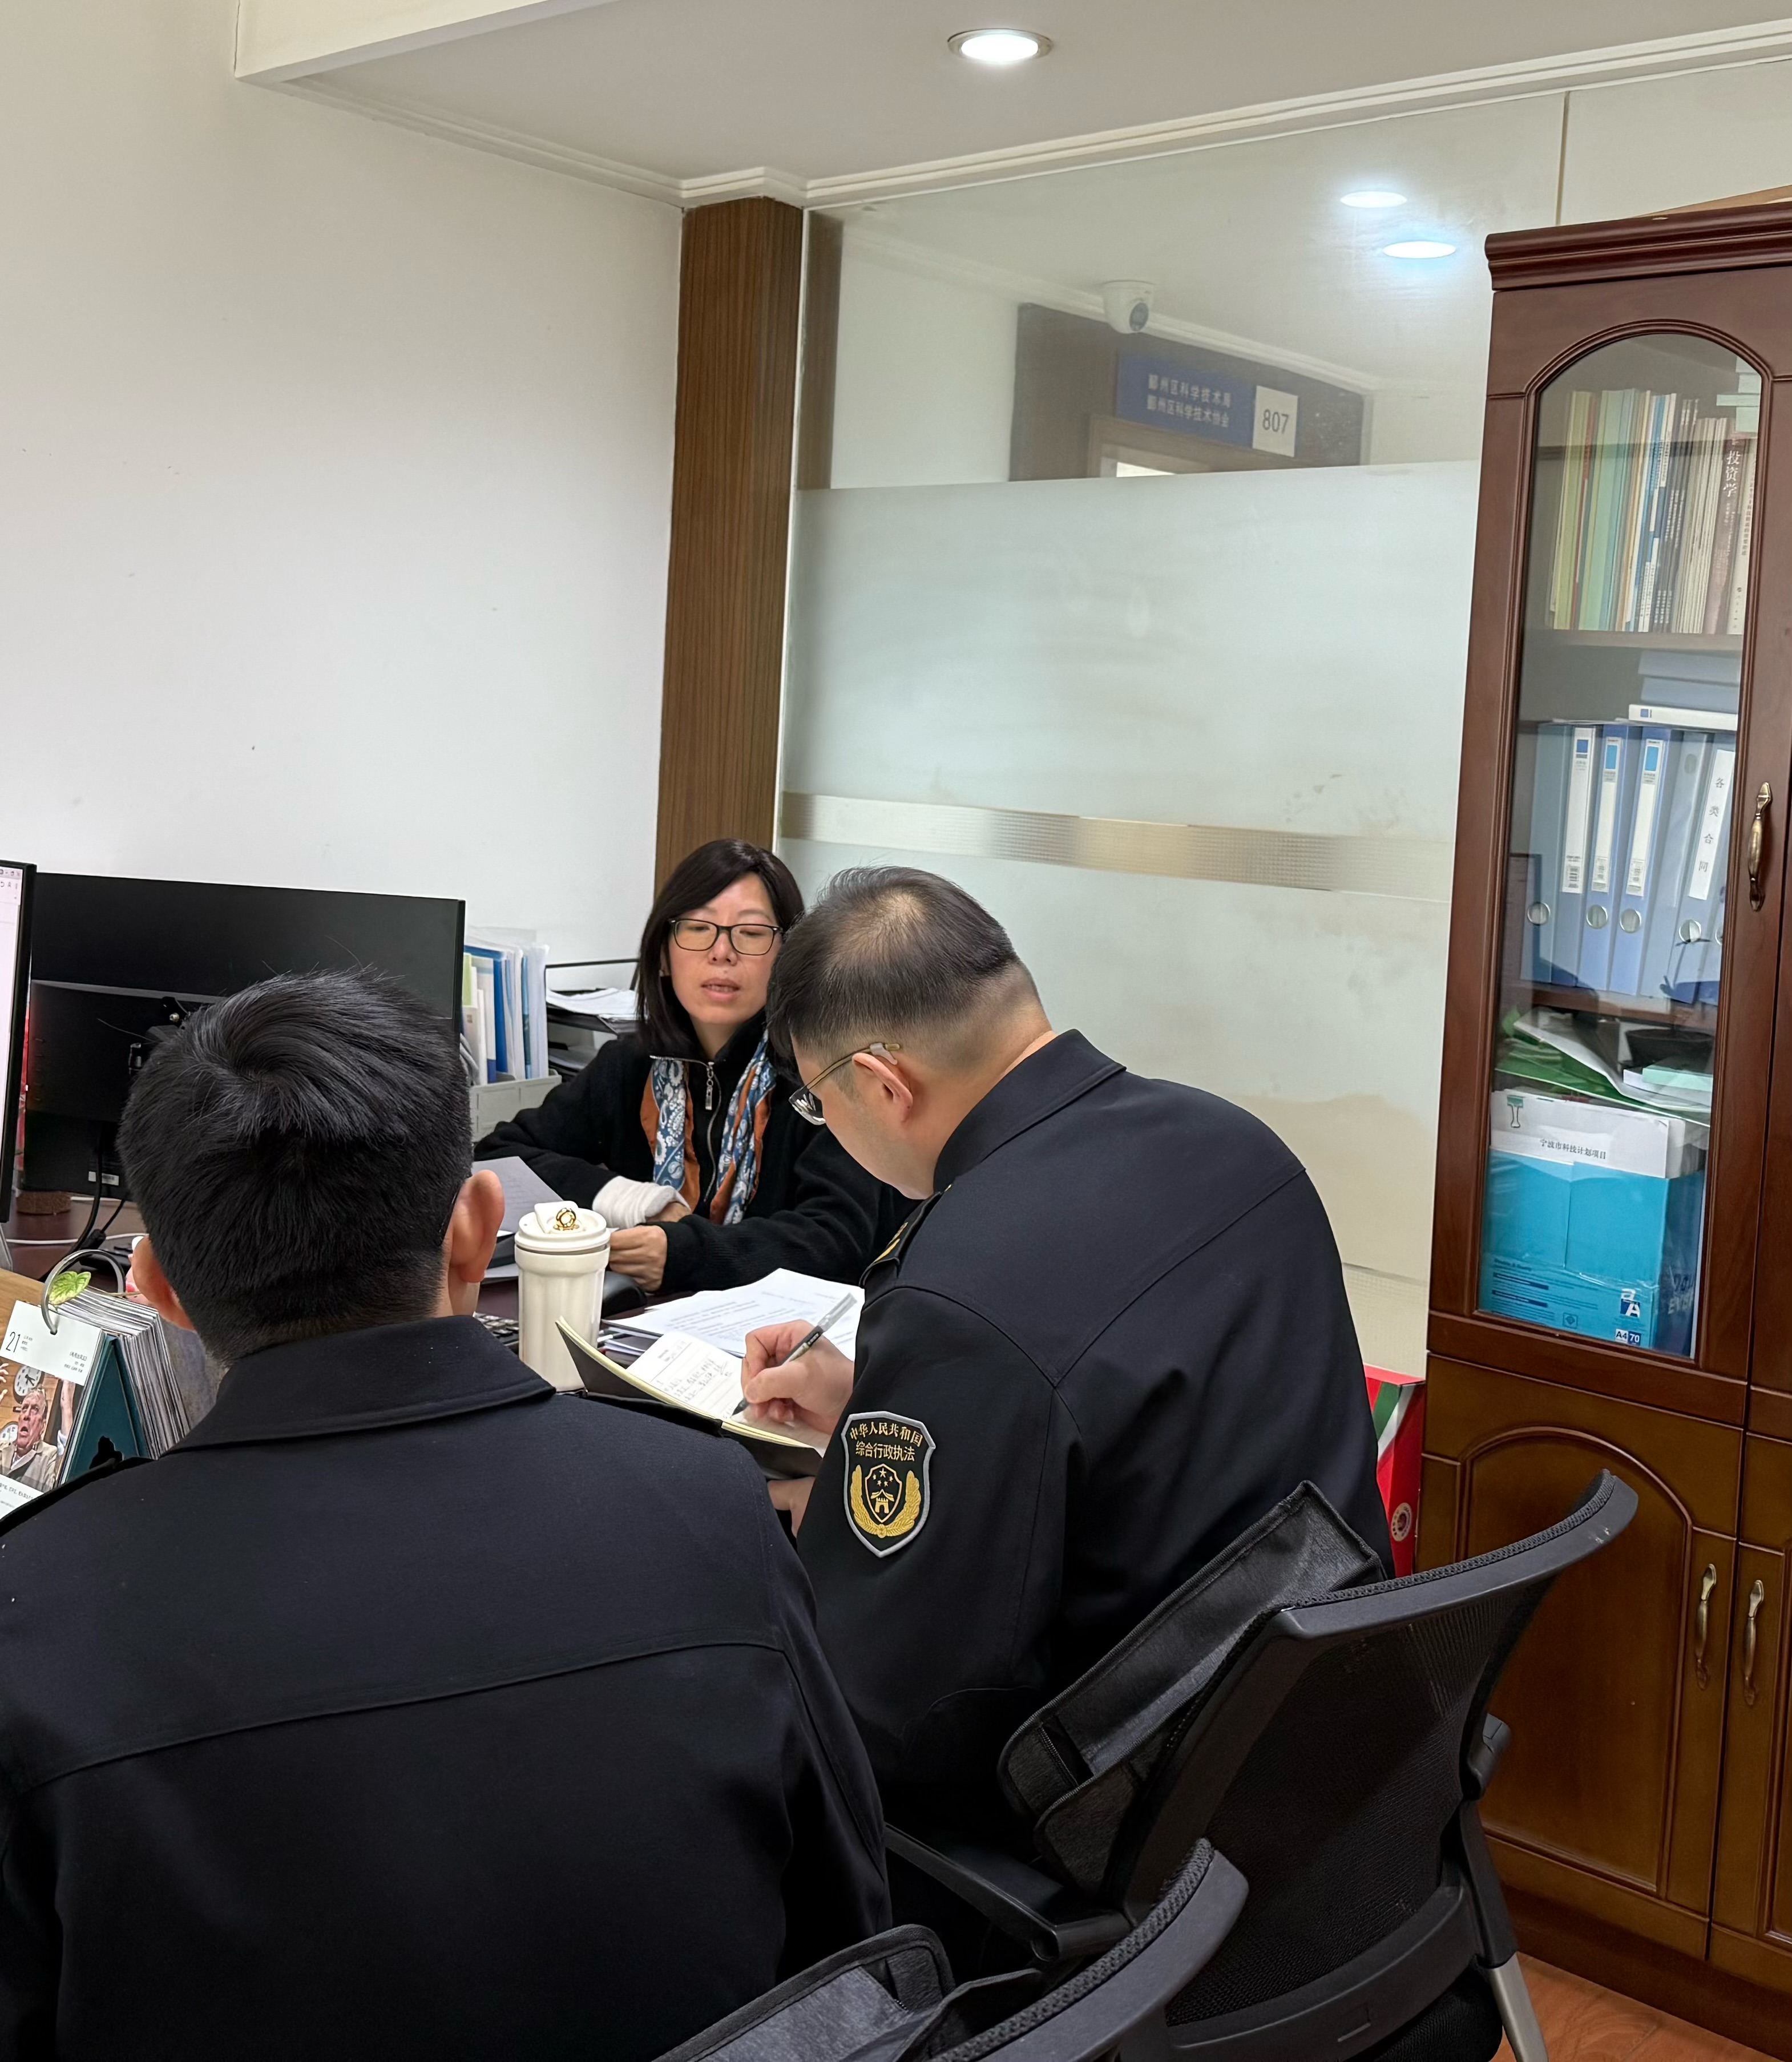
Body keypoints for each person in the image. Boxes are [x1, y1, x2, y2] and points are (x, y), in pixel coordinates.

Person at [0, 969, 887, 2060]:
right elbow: (853, 1953)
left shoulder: (37, 1617)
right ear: (475, 1230)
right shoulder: (715, 1511)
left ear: (157, 1288)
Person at [741, 867, 1392, 1836]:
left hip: (1118, 1820)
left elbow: (887, 1715)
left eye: (817, 1103)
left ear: (883, 1084)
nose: (827, 1128)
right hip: (1322, 1747)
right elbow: (1125, 1409)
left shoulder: (956, 1295)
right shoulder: (1239, 1145)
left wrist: (816, 1513)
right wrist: (883, 1398)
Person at [477, 838, 903, 1293]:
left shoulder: (822, 1074)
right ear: (664, 952)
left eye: (751, 933)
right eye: (698, 928)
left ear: (788, 956)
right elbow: (498, 1159)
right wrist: (634, 1199)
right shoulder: (630, 1063)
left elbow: (837, 1242)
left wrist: (685, 1253)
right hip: (645, 1320)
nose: (721, 952)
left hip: (786, 1330)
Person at [2, 1385, 59, 1492]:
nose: (27, 1415)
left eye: (35, 1409)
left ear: (43, 1426)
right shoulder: (2, 1447)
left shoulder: (50, 1456)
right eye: (24, 1408)